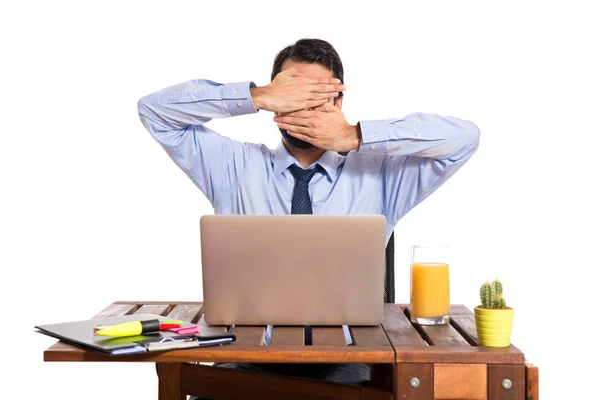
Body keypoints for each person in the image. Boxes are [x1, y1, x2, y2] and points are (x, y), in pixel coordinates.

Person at [138, 38, 480, 392]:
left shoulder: (380, 175)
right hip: (247, 357)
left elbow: (465, 139)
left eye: (315, 100)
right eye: (293, 97)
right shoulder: (234, 167)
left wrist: (356, 135)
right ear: (275, 105)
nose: (304, 111)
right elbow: (154, 111)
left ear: (339, 103)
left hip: (348, 361)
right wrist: (255, 96)